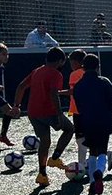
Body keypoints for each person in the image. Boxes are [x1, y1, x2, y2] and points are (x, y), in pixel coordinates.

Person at [13, 46, 75, 187]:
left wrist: (16, 105)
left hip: (33, 112)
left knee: (45, 141)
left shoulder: (37, 71)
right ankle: (55, 157)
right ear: (60, 61)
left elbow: (21, 86)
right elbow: (54, 94)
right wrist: (59, 114)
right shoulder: (56, 74)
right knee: (70, 129)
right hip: (49, 111)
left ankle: (42, 174)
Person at [70, 53, 112, 195]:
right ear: (98, 67)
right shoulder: (104, 81)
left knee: (92, 151)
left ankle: (92, 182)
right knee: (102, 150)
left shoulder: (79, 85)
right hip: (104, 120)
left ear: (83, 67)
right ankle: (99, 172)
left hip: (87, 121)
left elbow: (78, 104)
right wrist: (109, 113)